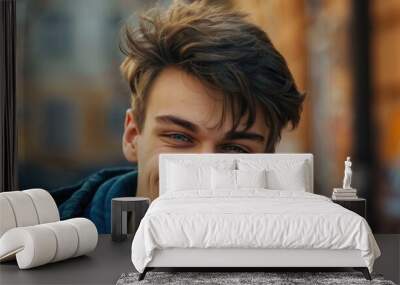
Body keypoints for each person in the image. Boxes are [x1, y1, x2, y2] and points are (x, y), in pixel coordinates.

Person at [49, 0, 305, 233]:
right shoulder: (32, 247)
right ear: (132, 136)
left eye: (236, 149)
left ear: (268, 162)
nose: (205, 171)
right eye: (179, 136)